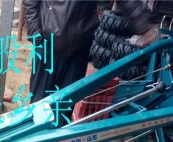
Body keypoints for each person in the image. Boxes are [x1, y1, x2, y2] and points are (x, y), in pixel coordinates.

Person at [23, 0, 156, 105]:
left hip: (79, 48)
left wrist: (143, 27)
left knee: (66, 104)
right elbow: (30, 2)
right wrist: (37, 37)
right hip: (49, 42)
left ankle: (60, 132)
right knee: (40, 104)